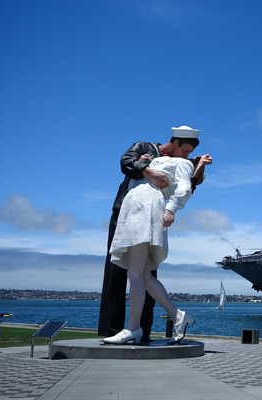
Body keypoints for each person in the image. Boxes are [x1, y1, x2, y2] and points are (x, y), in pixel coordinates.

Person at [98, 125, 207, 341]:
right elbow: (127, 163)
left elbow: (186, 188)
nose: (188, 155)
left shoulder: (183, 163)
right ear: (175, 143)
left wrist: (170, 209)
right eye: (185, 150)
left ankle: (135, 328)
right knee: (141, 274)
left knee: (136, 273)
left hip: (144, 208)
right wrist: (147, 165)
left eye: (189, 153)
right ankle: (176, 316)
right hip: (129, 208)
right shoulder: (147, 150)